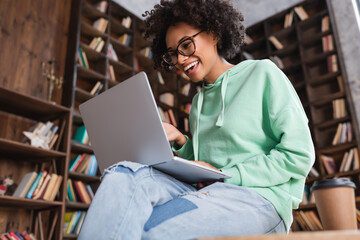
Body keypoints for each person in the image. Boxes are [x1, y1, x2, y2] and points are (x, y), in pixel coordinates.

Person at [78, 0, 315, 239]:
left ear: (213, 33)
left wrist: (226, 174)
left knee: (151, 231)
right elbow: (205, 168)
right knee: (123, 174)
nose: (181, 59)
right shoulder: (198, 104)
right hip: (209, 192)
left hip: (260, 199)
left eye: (186, 45)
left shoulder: (262, 74)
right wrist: (181, 140)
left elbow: (298, 155)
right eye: (173, 54)